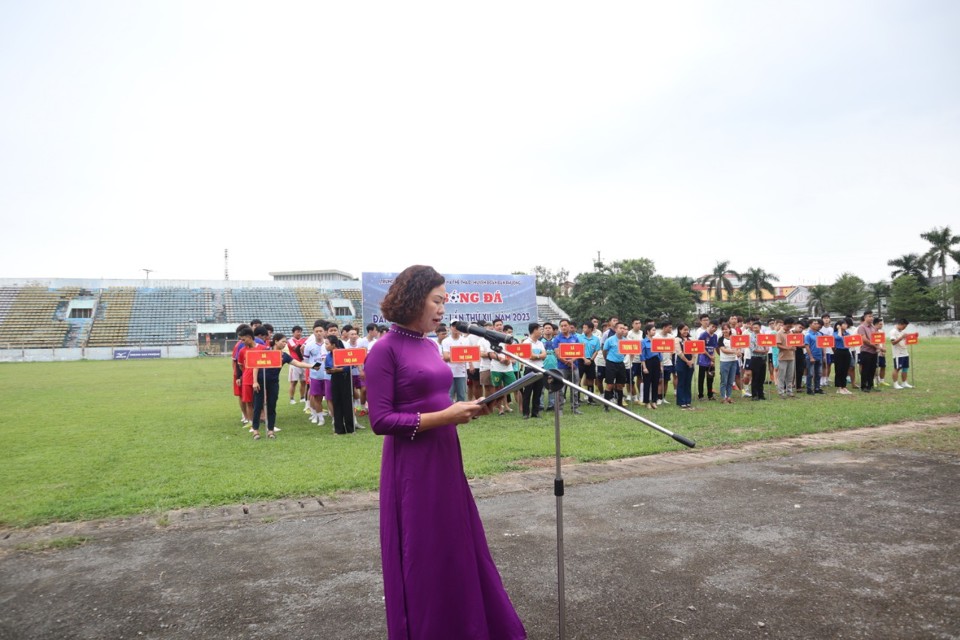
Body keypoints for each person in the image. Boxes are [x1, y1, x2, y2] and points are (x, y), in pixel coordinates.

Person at [365, 265, 525, 640]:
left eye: (444, 302)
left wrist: (471, 407)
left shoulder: (429, 344)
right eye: (437, 301)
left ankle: (468, 624)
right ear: (413, 299)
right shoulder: (383, 351)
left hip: (445, 454)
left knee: (456, 542)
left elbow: (437, 397)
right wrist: (444, 416)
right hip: (412, 465)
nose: (441, 310)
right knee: (425, 549)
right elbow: (381, 420)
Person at [251, 333, 318, 439]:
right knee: (258, 406)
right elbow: (256, 366)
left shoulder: (284, 356)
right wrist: (255, 381)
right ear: (276, 341)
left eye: (286, 342)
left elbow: (298, 363)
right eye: (283, 341)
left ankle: (271, 430)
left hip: (273, 383)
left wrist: (312, 366)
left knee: (272, 406)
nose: (285, 344)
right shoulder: (266, 352)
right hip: (260, 382)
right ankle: (255, 430)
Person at [324, 335, 356, 435]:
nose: (325, 346)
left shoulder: (344, 352)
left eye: (327, 344)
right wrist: (329, 370)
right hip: (334, 378)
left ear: (333, 345)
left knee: (347, 403)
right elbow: (327, 366)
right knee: (336, 403)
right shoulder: (328, 355)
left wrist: (339, 369)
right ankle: (339, 429)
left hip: (345, 378)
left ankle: (350, 429)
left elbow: (350, 365)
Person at [520, 322, 547, 419]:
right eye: (540, 329)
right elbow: (530, 356)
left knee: (538, 391)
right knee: (527, 392)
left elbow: (545, 355)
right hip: (530, 369)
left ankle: (535, 412)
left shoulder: (540, 343)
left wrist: (537, 356)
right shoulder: (526, 343)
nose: (541, 331)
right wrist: (539, 355)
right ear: (535, 330)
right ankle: (526, 413)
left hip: (540, 369)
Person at [601, 321, 629, 410]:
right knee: (609, 385)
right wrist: (607, 360)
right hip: (611, 363)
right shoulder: (610, 340)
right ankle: (606, 405)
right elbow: (605, 351)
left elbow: (625, 352)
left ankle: (619, 404)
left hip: (620, 363)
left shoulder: (625, 340)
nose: (622, 330)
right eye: (620, 328)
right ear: (616, 329)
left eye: (623, 328)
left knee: (620, 385)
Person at [441, 322, 470, 402]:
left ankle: (461, 414)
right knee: (449, 395)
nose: (456, 328)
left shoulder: (465, 340)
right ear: (450, 328)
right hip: (449, 372)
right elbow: (446, 357)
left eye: (458, 326)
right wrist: (460, 355)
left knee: (462, 396)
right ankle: (451, 414)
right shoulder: (446, 341)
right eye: (453, 326)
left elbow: (469, 355)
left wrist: (453, 355)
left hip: (461, 372)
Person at [639, 324, 662, 410]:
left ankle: (654, 401)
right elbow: (642, 355)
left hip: (656, 362)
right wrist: (644, 367)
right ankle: (647, 402)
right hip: (648, 363)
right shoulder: (643, 342)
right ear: (648, 331)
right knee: (647, 383)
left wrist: (660, 366)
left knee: (655, 382)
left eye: (655, 330)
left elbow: (659, 354)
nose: (654, 332)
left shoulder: (656, 341)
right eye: (653, 330)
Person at [717, 323, 740, 404]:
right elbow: (724, 350)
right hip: (724, 362)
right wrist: (734, 351)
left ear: (730, 329)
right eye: (723, 329)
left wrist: (738, 352)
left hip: (733, 361)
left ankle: (729, 397)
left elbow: (738, 347)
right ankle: (723, 398)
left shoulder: (734, 338)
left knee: (730, 381)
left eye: (726, 329)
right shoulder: (720, 339)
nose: (725, 331)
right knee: (724, 381)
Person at [674, 324, 696, 409]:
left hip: (690, 363)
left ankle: (688, 401)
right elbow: (679, 352)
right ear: (680, 330)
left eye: (687, 330)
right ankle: (681, 401)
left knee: (688, 382)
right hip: (681, 363)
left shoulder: (691, 340)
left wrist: (692, 361)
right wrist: (687, 361)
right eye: (684, 330)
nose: (686, 332)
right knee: (681, 382)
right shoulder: (677, 340)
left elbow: (695, 351)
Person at [857, 311, 880, 393]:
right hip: (866, 351)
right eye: (869, 316)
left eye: (872, 316)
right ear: (865, 317)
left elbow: (877, 338)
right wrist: (875, 346)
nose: (871, 318)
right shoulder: (861, 327)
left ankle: (870, 385)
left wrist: (878, 345)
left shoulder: (873, 327)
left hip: (874, 352)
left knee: (872, 369)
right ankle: (864, 386)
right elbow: (864, 339)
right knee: (865, 369)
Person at [776, 317, 798, 399]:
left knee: (790, 376)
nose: (789, 328)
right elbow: (778, 345)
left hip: (791, 357)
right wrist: (788, 348)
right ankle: (781, 392)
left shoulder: (791, 333)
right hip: (782, 357)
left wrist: (794, 347)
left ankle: (789, 391)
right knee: (782, 376)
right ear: (784, 324)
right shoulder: (779, 333)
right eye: (788, 326)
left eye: (791, 326)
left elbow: (793, 343)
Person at [889, 318, 914, 389]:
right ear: (900, 324)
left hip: (905, 352)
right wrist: (901, 337)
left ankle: (904, 382)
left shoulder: (903, 331)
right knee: (897, 368)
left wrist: (913, 337)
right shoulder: (893, 332)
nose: (904, 328)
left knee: (905, 368)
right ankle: (895, 383)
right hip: (898, 353)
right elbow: (893, 342)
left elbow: (906, 339)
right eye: (904, 326)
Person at [697, 321, 718, 401]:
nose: (714, 329)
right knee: (701, 378)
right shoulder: (703, 335)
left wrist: (713, 359)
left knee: (710, 377)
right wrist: (710, 356)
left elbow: (714, 348)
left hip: (711, 361)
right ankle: (701, 395)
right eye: (713, 326)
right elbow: (701, 348)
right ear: (708, 326)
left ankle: (710, 395)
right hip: (703, 359)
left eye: (716, 327)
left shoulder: (715, 336)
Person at [287, 325, 308, 404]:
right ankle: (291, 399)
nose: (299, 333)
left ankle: (302, 397)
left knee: (303, 381)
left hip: (303, 363)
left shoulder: (304, 340)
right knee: (294, 382)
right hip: (294, 363)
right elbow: (296, 349)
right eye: (297, 331)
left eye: (300, 331)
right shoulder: (290, 340)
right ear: (293, 333)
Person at [804, 318, 825, 395]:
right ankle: (809, 389)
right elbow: (807, 346)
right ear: (810, 325)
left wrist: (824, 355)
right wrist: (811, 357)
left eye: (817, 323)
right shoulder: (808, 335)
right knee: (810, 374)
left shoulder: (819, 334)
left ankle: (817, 388)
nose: (817, 325)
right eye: (814, 323)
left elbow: (822, 345)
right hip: (811, 357)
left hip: (819, 356)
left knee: (818, 373)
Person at [833, 318, 854, 395]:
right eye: (844, 324)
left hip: (846, 352)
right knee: (839, 369)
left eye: (846, 324)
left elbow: (850, 341)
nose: (846, 325)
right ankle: (839, 387)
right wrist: (839, 329)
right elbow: (838, 338)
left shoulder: (847, 333)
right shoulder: (835, 333)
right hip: (839, 352)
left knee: (845, 370)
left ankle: (844, 387)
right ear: (839, 325)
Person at [748, 320, 768, 400]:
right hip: (755, 358)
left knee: (762, 377)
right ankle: (754, 395)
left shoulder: (763, 336)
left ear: (760, 327)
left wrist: (766, 348)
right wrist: (763, 351)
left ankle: (761, 394)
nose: (755, 329)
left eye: (756, 327)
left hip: (763, 358)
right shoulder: (751, 337)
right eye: (754, 327)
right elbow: (752, 349)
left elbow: (767, 344)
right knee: (755, 377)